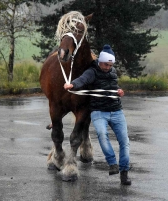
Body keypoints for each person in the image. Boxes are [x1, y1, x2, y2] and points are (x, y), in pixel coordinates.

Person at [64, 44, 131, 185]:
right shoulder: (92, 72)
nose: (108, 67)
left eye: (110, 65)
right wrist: (72, 85)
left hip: (116, 111)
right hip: (99, 112)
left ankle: (124, 172)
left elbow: (112, 87)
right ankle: (113, 164)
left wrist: (119, 91)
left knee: (124, 142)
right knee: (102, 134)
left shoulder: (113, 72)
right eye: (106, 64)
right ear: (100, 61)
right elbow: (82, 80)